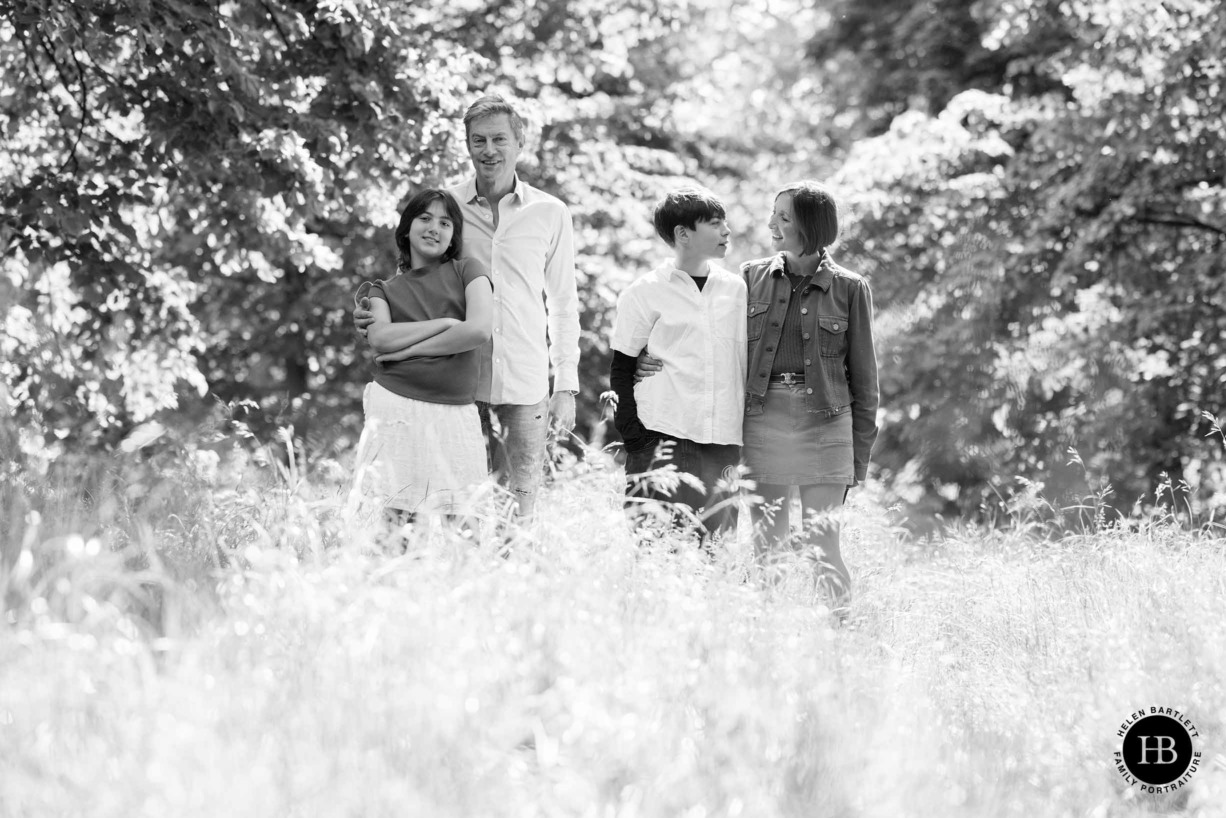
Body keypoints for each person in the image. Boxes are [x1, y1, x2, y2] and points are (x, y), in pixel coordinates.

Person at [640, 181, 879, 611]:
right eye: (774, 214)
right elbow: (703, 336)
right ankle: (769, 640)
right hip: (763, 420)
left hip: (827, 424)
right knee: (769, 544)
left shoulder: (850, 288)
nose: (771, 223)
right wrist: (645, 357)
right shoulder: (750, 277)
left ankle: (842, 641)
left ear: (812, 224)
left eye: (783, 217)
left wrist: (858, 459)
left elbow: (866, 383)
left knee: (823, 546)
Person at [355, 94, 581, 517]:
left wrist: (565, 384)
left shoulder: (551, 213)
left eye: (499, 139)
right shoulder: (445, 209)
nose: (489, 151)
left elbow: (564, 303)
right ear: (467, 145)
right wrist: (372, 311)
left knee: (518, 509)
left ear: (520, 142)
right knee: (456, 511)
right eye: (479, 140)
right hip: (454, 387)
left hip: (524, 384)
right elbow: (415, 281)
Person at [608, 187, 746, 542]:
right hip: (661, 437)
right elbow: (622, 367)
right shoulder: (644, 292)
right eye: (715, 224)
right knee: (654, 550)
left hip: (723, 442)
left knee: (717, 552)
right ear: (683, 234)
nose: (726, 232)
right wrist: (636, 439)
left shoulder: (739, 290)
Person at [352, 189, 493, 518]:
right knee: (393, 522)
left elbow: (477, 330)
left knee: (465, 523)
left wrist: (410, 349)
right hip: (396, 406)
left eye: (445, 222)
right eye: (425, 218)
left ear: (453, 235)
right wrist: (445, 323)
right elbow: (382, 339)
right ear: (405, 229)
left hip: (455, 410)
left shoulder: (469, 271)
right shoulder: (380, 290)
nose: (435, 228)